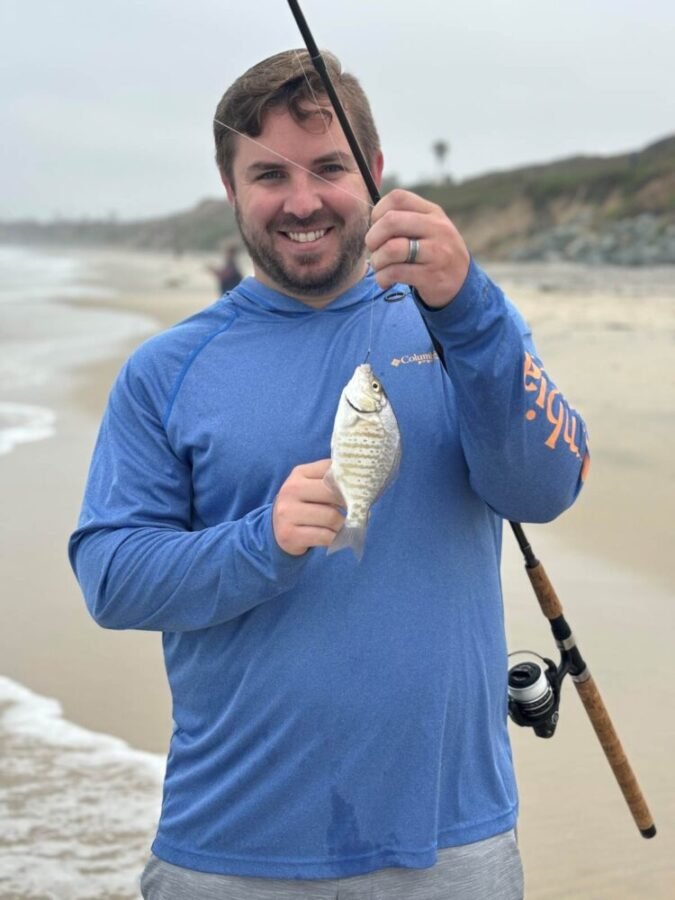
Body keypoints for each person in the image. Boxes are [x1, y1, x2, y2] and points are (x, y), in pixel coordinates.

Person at [69, 48, 590, 900]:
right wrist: (258, 541)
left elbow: (548, 487)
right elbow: (110, 578)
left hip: (451, 847)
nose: (302, 200)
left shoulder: (460, 322)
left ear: (375, 173)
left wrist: (474, 310)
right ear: (231, 189)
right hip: (228, 850)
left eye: (329, 167)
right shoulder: (167, 369)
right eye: (267, 173)